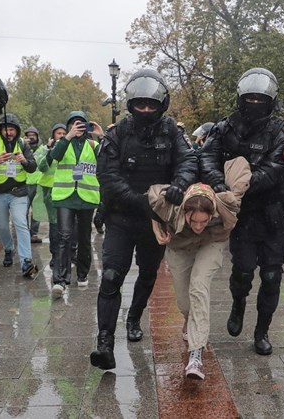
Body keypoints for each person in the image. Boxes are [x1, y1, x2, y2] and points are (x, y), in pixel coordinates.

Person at [90, 69, 198, 370]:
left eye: (152, 105)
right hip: (122, 216)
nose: (146, 110)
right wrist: (137, 201)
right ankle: (104, 342)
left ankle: (134, 316)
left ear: (161, 104)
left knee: (148, 273)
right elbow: (107, 175)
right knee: (112, 275)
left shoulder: (172, 131)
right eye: (141, 105)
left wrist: (179, 183)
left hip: (156, 220)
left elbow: (189, 160)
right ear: (131, 104)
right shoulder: (117, 133)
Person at [200, 67, 284, 355]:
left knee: (271, 276)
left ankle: (262, 331)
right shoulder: (225, 128)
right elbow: (207, 157)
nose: (255, 103)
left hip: (272, 213)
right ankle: (238, 303)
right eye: (250, 98)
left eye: (260, 99)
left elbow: (277, 168)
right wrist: (219, 184)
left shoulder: (281, 132)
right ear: (242, 97)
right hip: (240, 217)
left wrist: (243, 185)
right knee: (242, 272)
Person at [148, 158, 251, 380]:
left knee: (199, 286)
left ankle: (196, 355)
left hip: (211, 243)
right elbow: (151, 201)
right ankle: (190, 320)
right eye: (193, 221)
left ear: (211, 214)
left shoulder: (226, 203)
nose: (197, 226)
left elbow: (240, 164)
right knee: (185, 303)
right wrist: (157, 230)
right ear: (185, 212)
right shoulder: (168, 203)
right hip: (179, 246)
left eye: (203, 221)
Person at [49, 111, 103, 296]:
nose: (78, 127)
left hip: (86, 197)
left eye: (82, 124)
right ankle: (60, 280)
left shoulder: (93, 145)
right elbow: (53, 157)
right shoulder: (62, 143)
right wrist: (68, 136)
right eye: (74, 124)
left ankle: (82, 274)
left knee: (84, 238)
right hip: (65, 196)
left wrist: (102, 136)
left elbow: (111, 157)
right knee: (64, 236)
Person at [0, 113, 39, 277]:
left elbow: (32, 167)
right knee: (2, 227)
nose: (8, 133)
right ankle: (8, 249)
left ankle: (27, 262)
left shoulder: (23, 144)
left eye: (11, 129)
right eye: (5, 129)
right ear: (0, 130)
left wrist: (24, 161)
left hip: (19, 192)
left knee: (21, 223)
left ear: (16, 131)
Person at [37, 123, 67, 269]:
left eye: (63, 133)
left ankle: (68, 253)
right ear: (53, 135)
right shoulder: (45, 149)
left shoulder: (69, 147)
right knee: (54, 223)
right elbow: (41, 167)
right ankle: (55, 255)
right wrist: (49, 150)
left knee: (67, 224)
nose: (61, 136)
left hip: (66, 189)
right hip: (49, 190)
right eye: (58, 133)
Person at [24, 126, 43, 243]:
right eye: (29, 136)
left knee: (37, 211)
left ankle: (34, 234)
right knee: (23, 211)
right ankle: (24, 233)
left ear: (37, 136)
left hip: (38, 183)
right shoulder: (21, 147)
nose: (31, 138)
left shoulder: (43, 149)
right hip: (24, 183)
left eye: (33, 135)